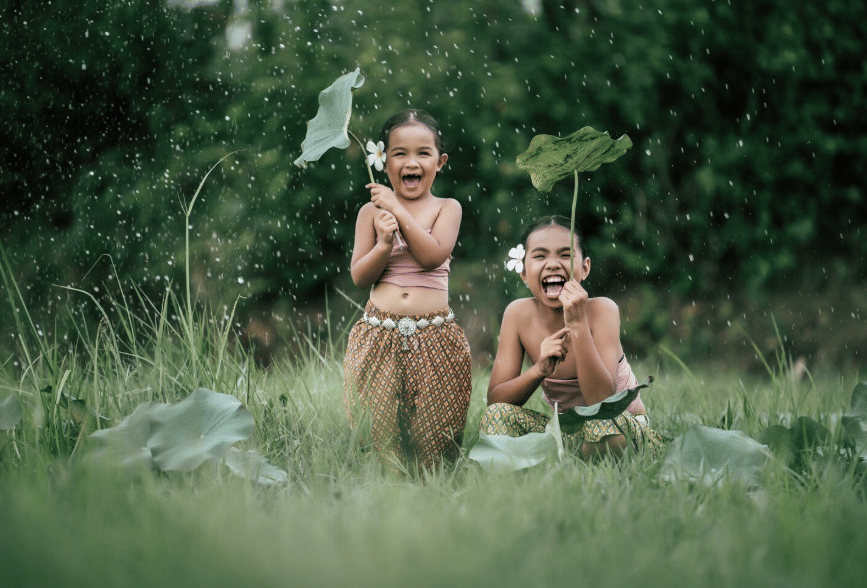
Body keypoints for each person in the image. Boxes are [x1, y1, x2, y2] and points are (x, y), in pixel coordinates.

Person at [343, 109, 472, 475]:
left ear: (440, 162)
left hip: (435, 338)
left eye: (423, 153)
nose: (411, 162)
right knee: (381, 438)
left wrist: (398, 210)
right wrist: (383, 245)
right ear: (382, 162)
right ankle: (389, 493)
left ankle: (433, 493)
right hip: (378, 335)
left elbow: (432, 256)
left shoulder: (448, 208)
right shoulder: (371, 213)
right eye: (399, 153)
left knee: (434, 440)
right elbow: (359, 277)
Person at [480, 216, 665, 460]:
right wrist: (539, 370)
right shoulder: (517, 315)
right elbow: (497, 403)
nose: (553, 264)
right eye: (540, 256)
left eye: (565, 255)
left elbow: (602, 402)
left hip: (618, 425)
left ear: (585, 267)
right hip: (567, 433)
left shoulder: (602, 311)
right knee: (496, 419)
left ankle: (580, 459)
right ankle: (572, 459)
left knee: (599, 427)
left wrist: (578, 325)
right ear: (524, 272)